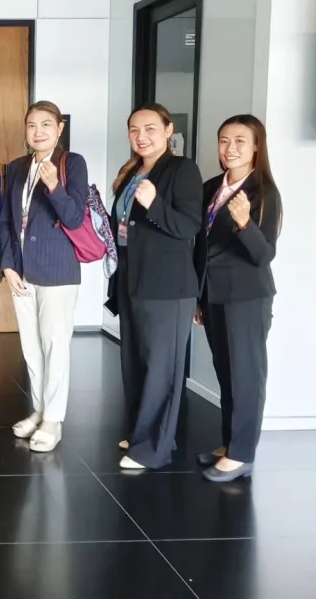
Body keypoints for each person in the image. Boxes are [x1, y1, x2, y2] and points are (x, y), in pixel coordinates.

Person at [106, 103, 203, 470]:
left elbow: (189, 226)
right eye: (134, 130)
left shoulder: (181, 169)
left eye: (149, 128)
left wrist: (155, 204)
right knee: (135, 362)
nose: (141, 136)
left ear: (168, 130)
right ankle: (140, 433)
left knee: (162, 367)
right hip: (132, 278)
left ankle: (154, 448)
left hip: (167, 285)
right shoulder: (132, 171)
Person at [194, 115, 281, 482]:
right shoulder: (212, 187)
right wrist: (199, 295)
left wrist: (245, 223)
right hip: (214, 295)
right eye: (224, 140)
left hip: (246, 297)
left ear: (256, 146)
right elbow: (201, 246)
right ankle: (231, 442)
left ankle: (242, 454)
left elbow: (264, 255)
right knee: (226, 373)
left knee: (246, 375)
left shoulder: (264, 192)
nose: (230, 148)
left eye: (240, 141)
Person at [0, 101, 88, 452]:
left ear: (59, 128)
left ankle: (53, 419)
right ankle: (39, 410)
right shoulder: (18, 167)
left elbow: (75, 218)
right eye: (32, 125)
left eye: (46, 124)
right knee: (31, 348)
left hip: (57, 270)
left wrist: (54, 187)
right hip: (22, 270)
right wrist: (7, 265)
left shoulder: (71, 163)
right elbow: (7, 219)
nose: (38, 132)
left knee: (54, 345)